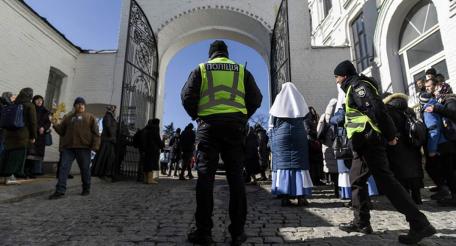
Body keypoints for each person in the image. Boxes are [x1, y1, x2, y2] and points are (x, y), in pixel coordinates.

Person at [334, 60, 435, 244]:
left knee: (387, 182)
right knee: (356, 179)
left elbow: (377, 111)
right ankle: (361, 221)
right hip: (361, 143)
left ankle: (420, 223)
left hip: (370, 141)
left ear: (345, 75)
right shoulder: (351, 88)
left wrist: (390, 135)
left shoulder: (359, 87)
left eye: (337, 77)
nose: (336, 81)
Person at [181, 40, 262, 245]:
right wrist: (242, 117)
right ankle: (237, 232)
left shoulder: (201, 69)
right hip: (235, 128)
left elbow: (187, 96)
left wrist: (197, 116)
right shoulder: (241, 71)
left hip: (208, 127)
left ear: (211, 55)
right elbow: (256, 98)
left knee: (205, 179)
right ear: (226, 53)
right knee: (236, 178)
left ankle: (204, 232)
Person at [269, 82, 313, 207]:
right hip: (298, 135)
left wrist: (272, 142)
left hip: (281, 137)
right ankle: (301, 197)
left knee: (284, 166)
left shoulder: (278, 103)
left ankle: (285, 197)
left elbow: (271, 125)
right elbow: (306, 121)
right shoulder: (300, 101)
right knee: (300, 166)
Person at [49, 97, 100, 199]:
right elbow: (62, 131)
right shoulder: (68, 118)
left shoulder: (90, 117)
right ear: (74, 106)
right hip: (69, 147)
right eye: (78, 104)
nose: (80, 105)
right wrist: (54, 124)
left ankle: (86, 188)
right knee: (63, 168)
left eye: (82, 104)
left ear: (84, 106)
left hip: (84, 147)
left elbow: (96, 133)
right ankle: (60, 191)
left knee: (85, 169)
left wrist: (95, 146)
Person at [383, 93, 424, 204]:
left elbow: (389, 128)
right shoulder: (409, 110)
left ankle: (405, 200)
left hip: (397, 145)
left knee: (400, 173)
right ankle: (417, 198)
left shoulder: (388, 111)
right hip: (412, 143)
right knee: (414, 171)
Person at [0, 88, 37, 185]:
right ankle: (10, 178)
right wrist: (33, 136)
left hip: (9, 134)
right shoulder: (29, 105)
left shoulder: (14, 104)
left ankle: (3, 177)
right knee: (17, 157)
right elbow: (33, 123)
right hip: (22, 135)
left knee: (7, 155)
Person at [24, 95, 51, 178]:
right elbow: (29, 121)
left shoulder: (46, 111)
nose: (39, 101)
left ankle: (32, 172)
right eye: (37, 100)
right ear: (34, 101)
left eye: (41, 100)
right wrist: (38, 127)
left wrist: (44, 128)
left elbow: (48, 122)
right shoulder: (31, 109)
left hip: (41, 136)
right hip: (31, 134)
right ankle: (25, 171)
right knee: (29, 153)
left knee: (36, 154)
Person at [317, 98, 339, 196]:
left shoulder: (323, 116)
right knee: (340, 169)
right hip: (338, 145)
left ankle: (335, 190)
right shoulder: (338, 116)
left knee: (332, 169)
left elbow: (318, 130)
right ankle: (340, 190)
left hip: (326, 145)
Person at [92, 106, 117, 178]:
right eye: (114, 109)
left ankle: (105, 172)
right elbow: (108, 126)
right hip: (107, 140)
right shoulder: (108, 116)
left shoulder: (110, 117)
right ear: (112, 110)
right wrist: (112, 136)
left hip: (109, 140)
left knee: (108, 156)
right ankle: (102, 172)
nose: (115, 111)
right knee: (105, 156)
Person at [139, 118, 164, 184]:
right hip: (152, 148)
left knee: (146, 163)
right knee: (151, 163)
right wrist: (162, 145)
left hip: (146, 149)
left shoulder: (146, 128)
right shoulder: (155, 128)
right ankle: (150, 179)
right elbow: (157, 139)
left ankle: (145, 179)